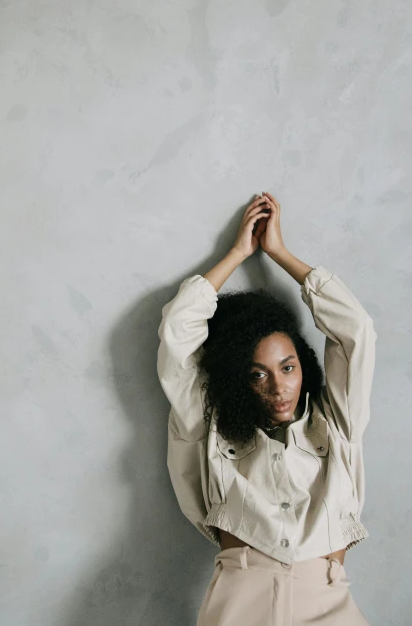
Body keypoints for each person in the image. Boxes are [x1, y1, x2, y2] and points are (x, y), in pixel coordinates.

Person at [157, 191, 376, 625]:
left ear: (303, 367)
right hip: (241, 598)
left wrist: (278, 253)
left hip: (326, 598)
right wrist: (238, 252)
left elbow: (356, 329)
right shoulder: (209, 429)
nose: (279, 386)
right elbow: (177, 330)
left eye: (288, 367)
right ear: (240, 380)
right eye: (258, 375)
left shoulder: (337, 424)